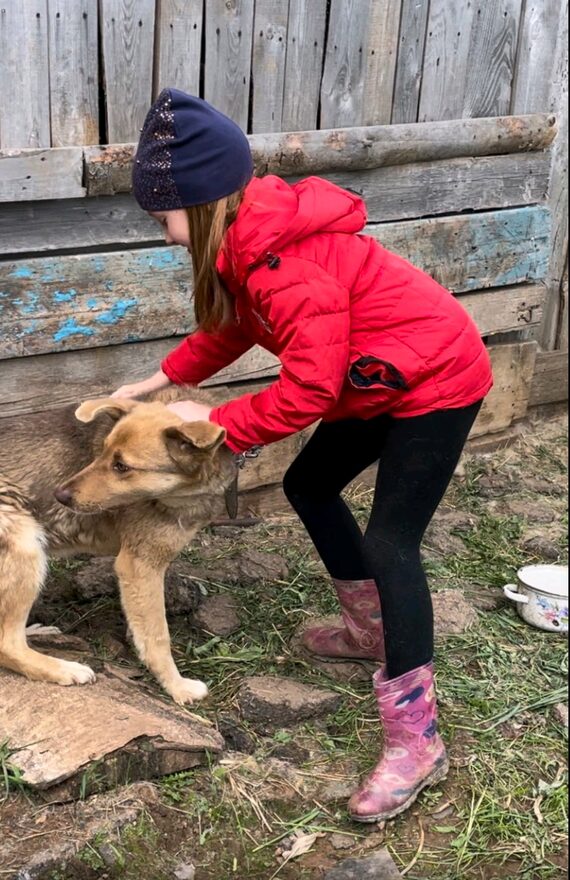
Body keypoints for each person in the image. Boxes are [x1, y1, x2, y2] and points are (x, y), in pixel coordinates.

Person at [113, 88, 493, 823]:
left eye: (162, 217)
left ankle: (416, 738)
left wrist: (213, 421)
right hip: (376, 378)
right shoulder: (244, 245)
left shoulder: (286, 263)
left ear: (201, 200)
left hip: (437, 381)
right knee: (311, 486)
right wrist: (167, 374)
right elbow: (237, 326)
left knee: (392, 544)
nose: (163, 235)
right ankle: (366, 632)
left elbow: (306, 392)